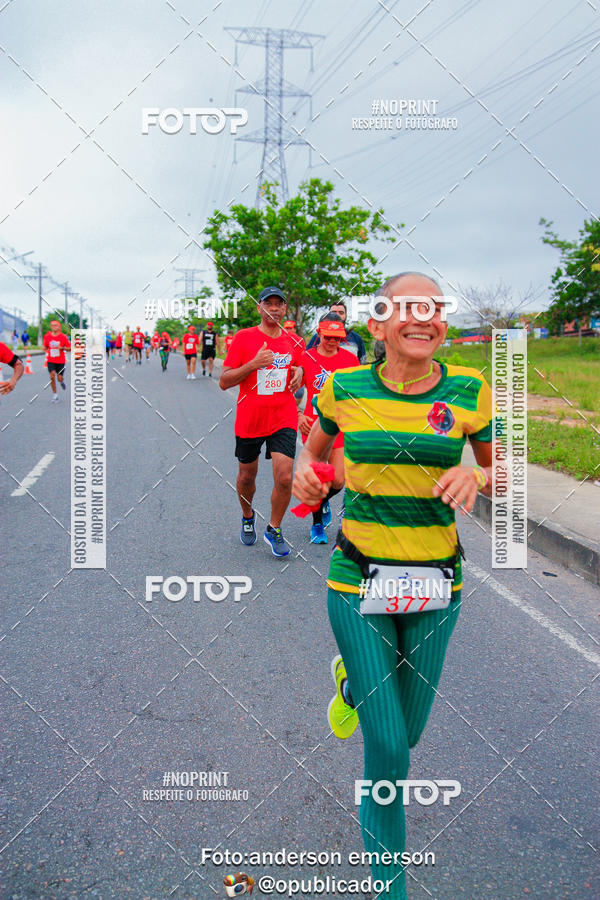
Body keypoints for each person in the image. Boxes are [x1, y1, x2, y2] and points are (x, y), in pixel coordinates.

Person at [292, 272, 493, 899]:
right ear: (377, 324)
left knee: (408, 735)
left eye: (433, 307)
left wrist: (477, 479)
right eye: (407, 307)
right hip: (358, 581)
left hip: (438, 586)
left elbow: (499, 466)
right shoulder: (346, 388)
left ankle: (352, 683)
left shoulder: (469, 390)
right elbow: (316, 453)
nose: (423, 317)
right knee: (387, 748)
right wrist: (310, 477)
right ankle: (390, 886)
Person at [219, 286, 304, 557]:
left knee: (284, 475)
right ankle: (247, 516)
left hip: (283, 415)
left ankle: (274, 528)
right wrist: (254, 364)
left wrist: (300, 371)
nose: (275, 308)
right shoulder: (244, 338)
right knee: (247, 475)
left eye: (280, 303)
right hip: (251, 417)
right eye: (269, 303)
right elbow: (224, 381)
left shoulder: (295, 341)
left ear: (284, 309)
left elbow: (301, 367)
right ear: (260, 308)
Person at [298, 313, 358, 544]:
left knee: (339, 481)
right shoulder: (306, 358)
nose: (332, 341)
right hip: (314, 427)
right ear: (319, 333)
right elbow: (291, 392)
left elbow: (357, 396)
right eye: (328, 336)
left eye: (337, 337)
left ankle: (320, 502)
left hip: (341, 427)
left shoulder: (350, 361)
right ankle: (317, 525)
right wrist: (298, 415)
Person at [43, 319, 71, 402]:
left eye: (55, 325)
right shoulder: (47, 336)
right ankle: (55, 395)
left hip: (61, 361)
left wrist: (62, 348)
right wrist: (44, 348)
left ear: (59, 327)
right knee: (52, 376)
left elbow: (69, 348)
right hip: (51, 360)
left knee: (59, 378)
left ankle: (62, 382)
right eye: (52, 325)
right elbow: (45, 346)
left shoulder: (63, 337)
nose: (54, 327)